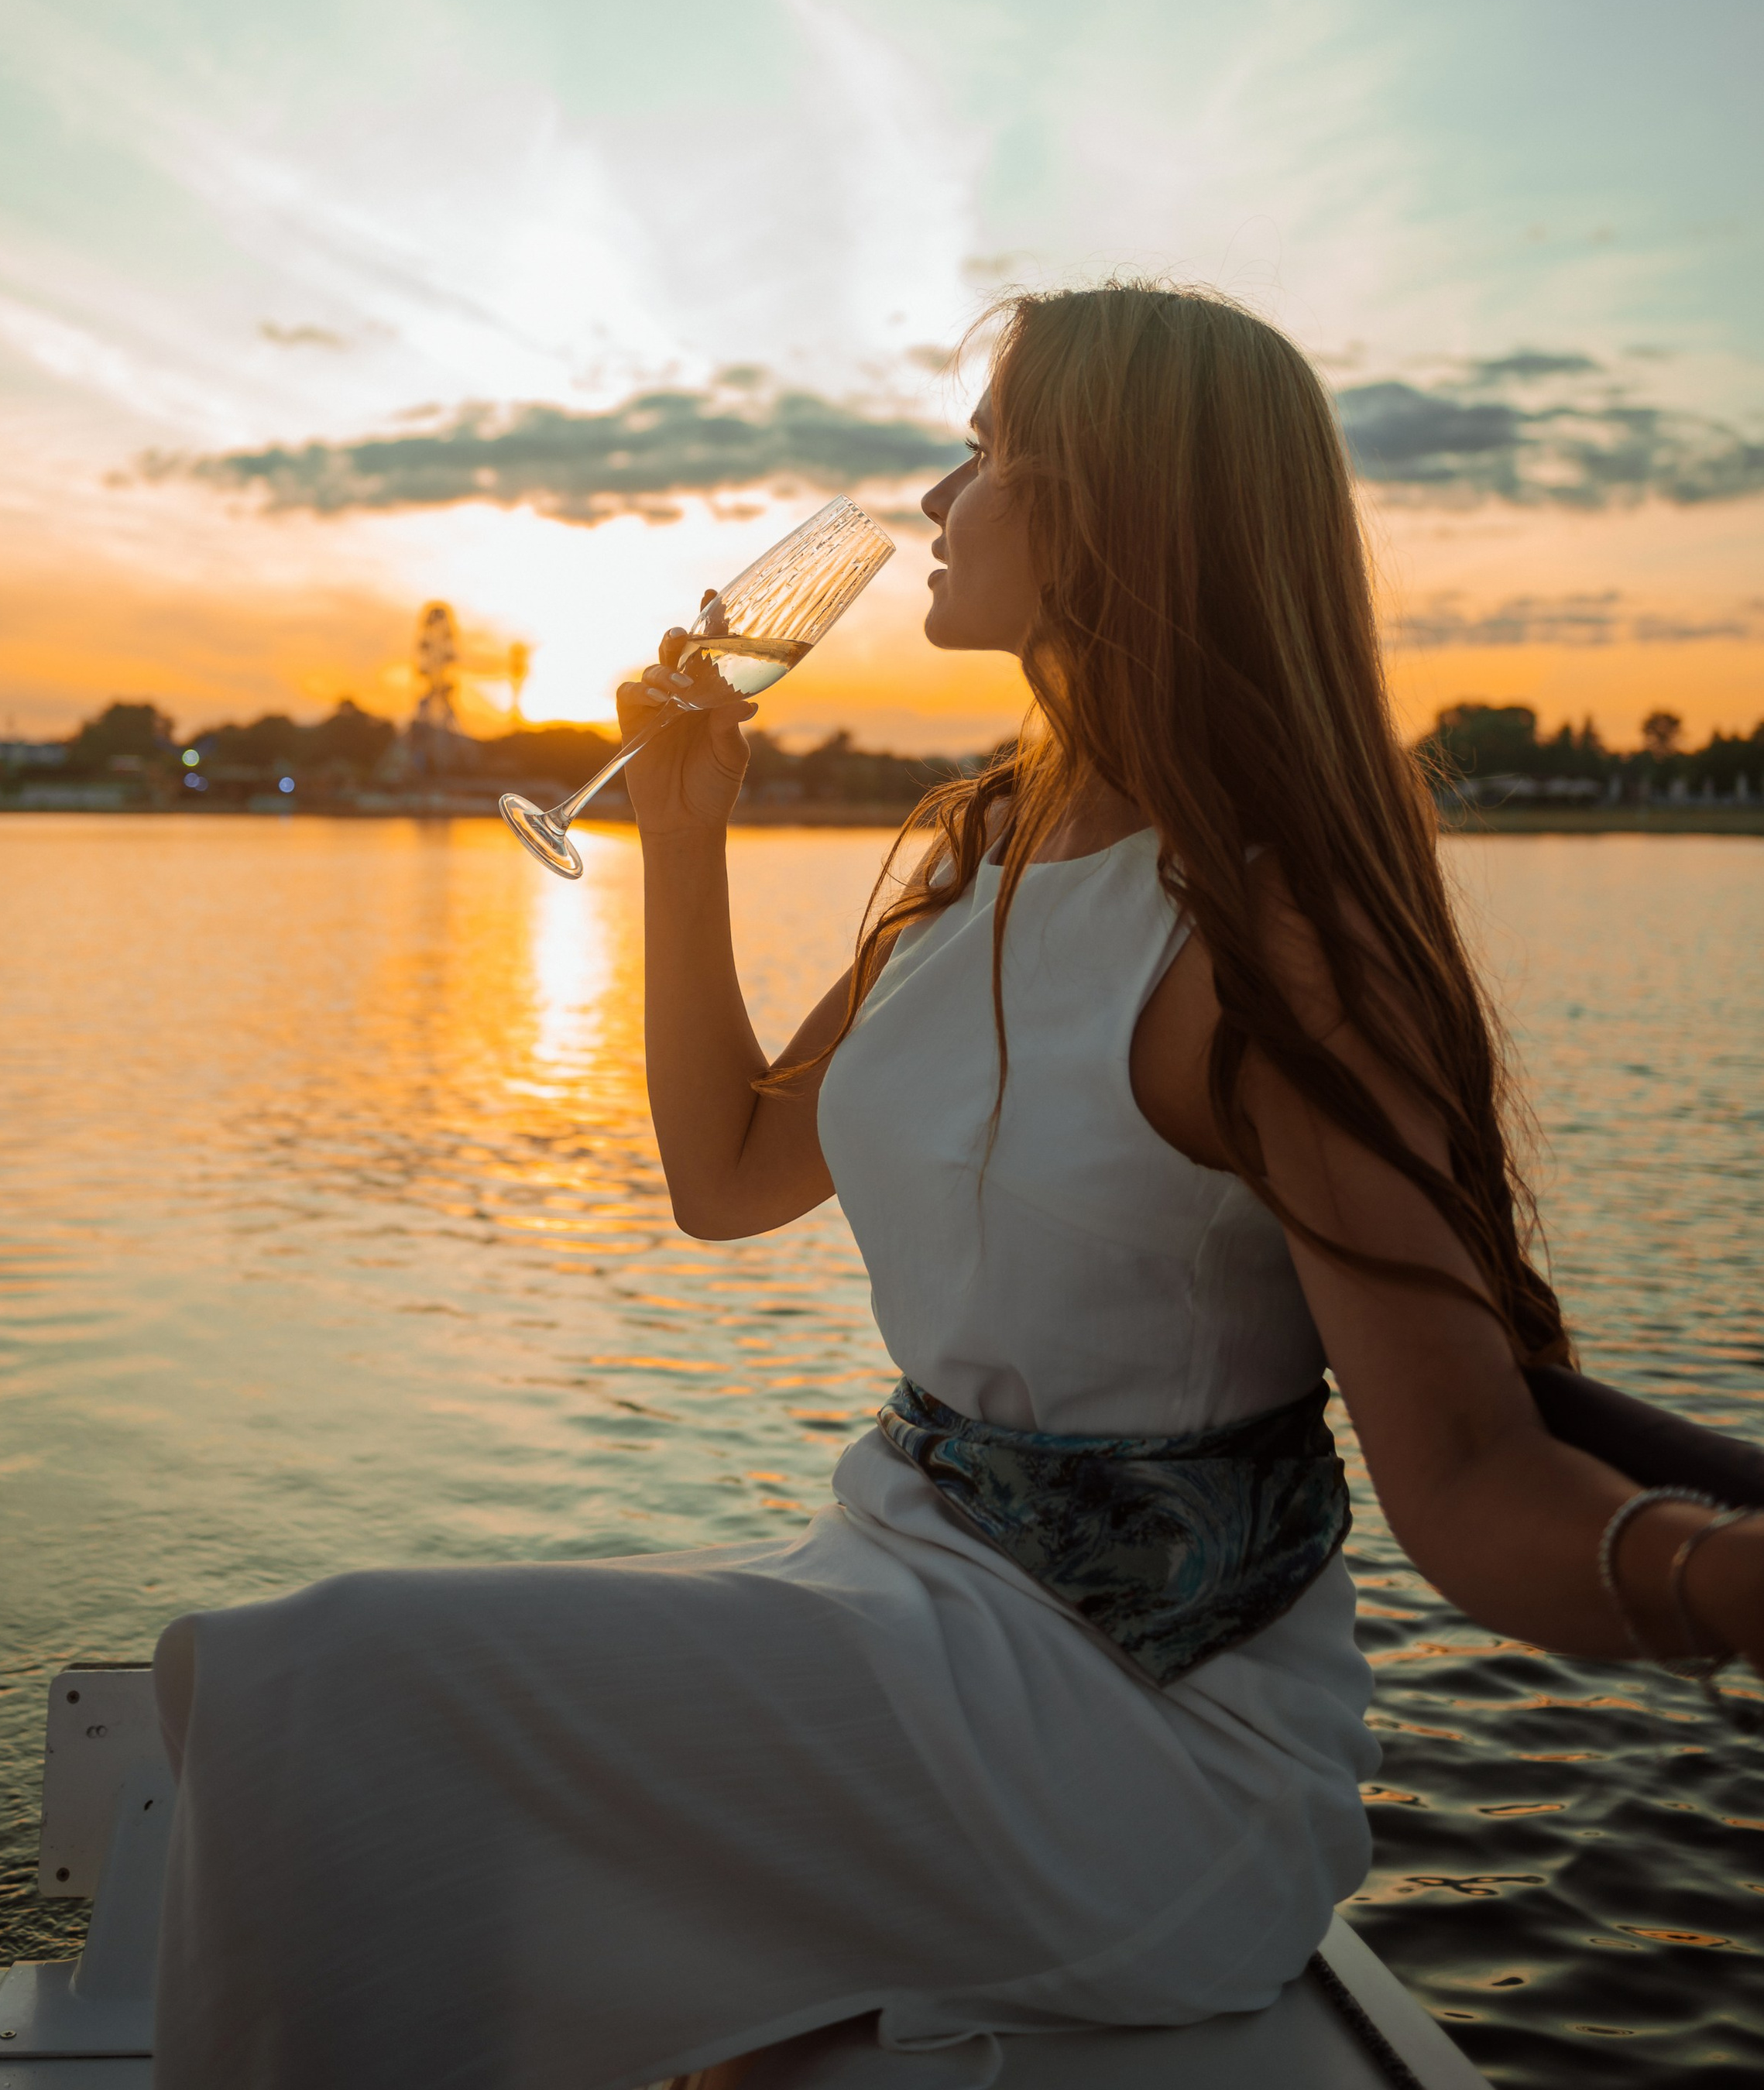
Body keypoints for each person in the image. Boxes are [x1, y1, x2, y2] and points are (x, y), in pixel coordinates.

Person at [150, 282, 1764, 2090]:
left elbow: (1464, 1479)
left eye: (989, 453)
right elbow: (729, 1173)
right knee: (283, 1688)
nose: (937, 496)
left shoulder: (1268, 942)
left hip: (1136, 1740)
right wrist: (682, 842)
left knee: (331, 1683)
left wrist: (1724, 1579)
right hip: (891, 1590)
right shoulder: (983, 843)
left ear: (1114, 511)